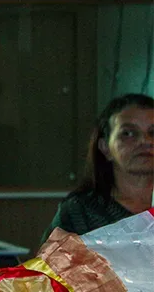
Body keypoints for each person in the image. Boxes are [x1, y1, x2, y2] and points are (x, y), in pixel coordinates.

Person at [43, 93, 154, 241]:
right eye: (128, 133)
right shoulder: (81, 213)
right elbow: (52, 262)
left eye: (153, 133)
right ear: (105, 147)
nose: (145, 141)